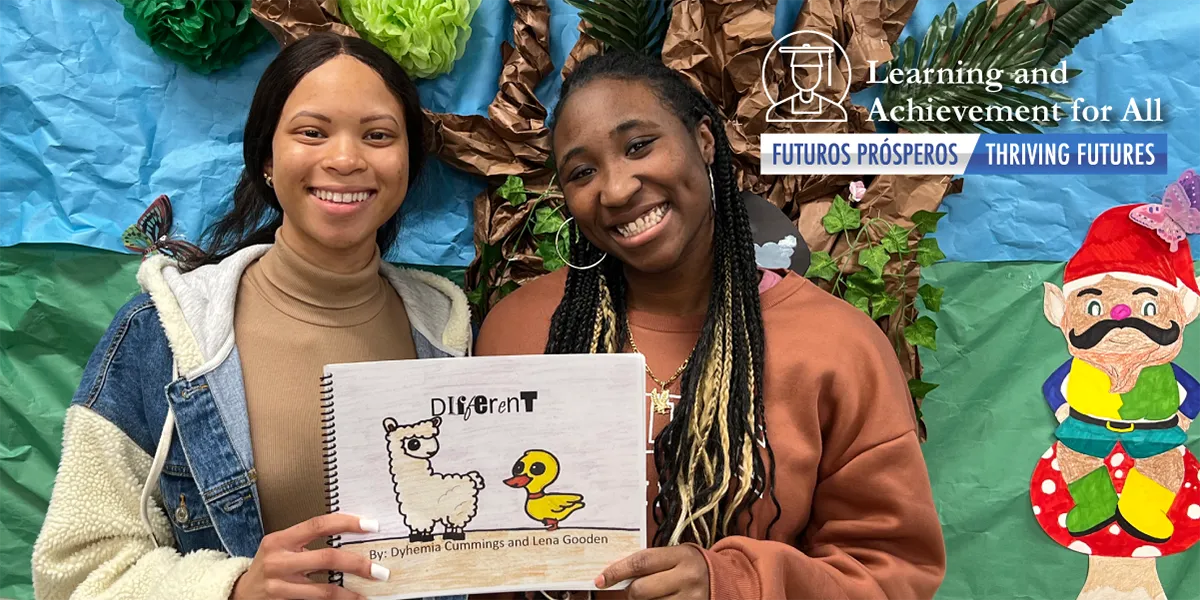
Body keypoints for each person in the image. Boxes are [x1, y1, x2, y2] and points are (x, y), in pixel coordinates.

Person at [473, 50, 946, 600]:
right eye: (582, 171)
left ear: (703, 141)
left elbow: (892, 573)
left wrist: (733, 583)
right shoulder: (517, 333)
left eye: (638, 146)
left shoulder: (839, 347)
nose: (618, 188)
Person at [31, 33, 471, 600]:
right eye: (312, 132)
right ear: (266, 157)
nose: (345, 158)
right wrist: (233, 590)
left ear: (409, 162)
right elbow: (72, 574)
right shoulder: (161, 335)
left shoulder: (451, 337)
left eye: (378, 135)